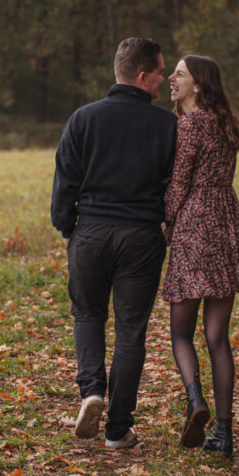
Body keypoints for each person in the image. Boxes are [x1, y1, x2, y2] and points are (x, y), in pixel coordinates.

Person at [50, 37, 177, 449]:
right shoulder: (167, 125)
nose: (163, 79)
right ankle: (118, 429)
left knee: (87, 315)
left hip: (91, 232)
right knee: (130, 331)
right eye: (159, 72)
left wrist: (66, 227)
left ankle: (91, 391)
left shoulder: (83, 119)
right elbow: (175, 185)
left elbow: (65, 180)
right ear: (142, 76)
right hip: (140, 237)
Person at [162, 54, 239, 458]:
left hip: (195, 225)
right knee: (218, 338)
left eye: (179, 74)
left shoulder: (189, 125)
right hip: (227, 222)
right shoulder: (223, 123)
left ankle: (195, 400)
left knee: (181, 333)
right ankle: (225, 433)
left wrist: (167, 222)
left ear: (198, 85)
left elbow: (179, 183)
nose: (171, 78)